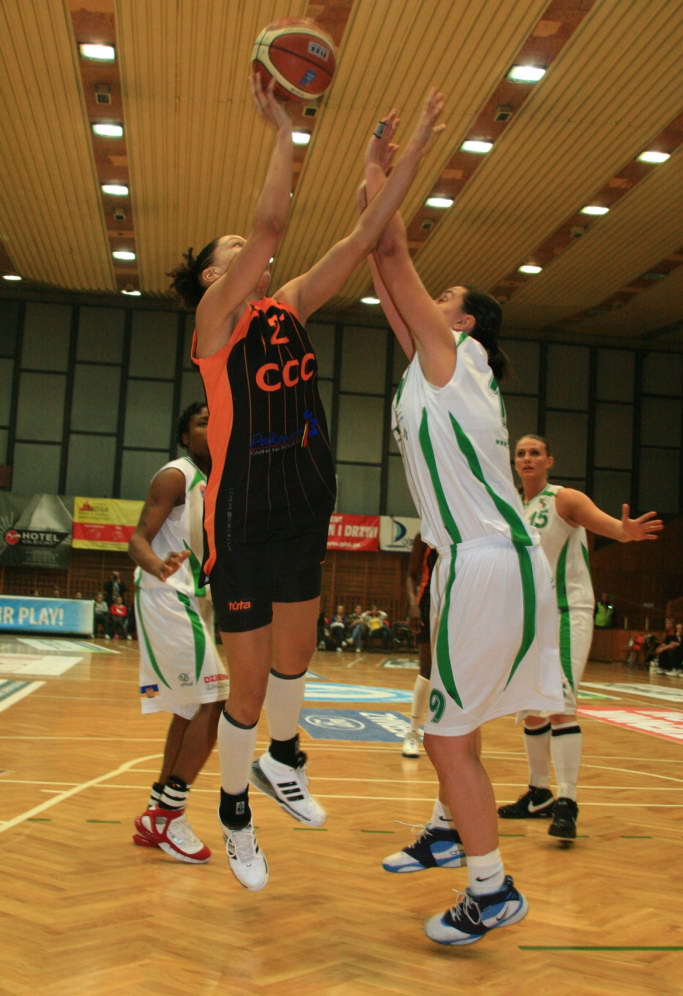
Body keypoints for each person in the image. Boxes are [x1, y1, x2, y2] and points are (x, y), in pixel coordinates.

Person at [167, 77, 445, 892]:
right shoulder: (214, 329)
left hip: (300, 505)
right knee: (248, 688)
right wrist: (285, 130)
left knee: (297, 659)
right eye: (229, 251)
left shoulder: (286, 307)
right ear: (212, 278)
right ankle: (233, 815)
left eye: (242, 249)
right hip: (242, 518)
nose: (248, 251)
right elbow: (269, 226)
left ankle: (283, 762)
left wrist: (401, 155)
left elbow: (365, 235)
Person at [363, 125, 565, 947]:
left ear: (465, 320)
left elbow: (390, 246)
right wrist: (370, 173)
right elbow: (379, 259)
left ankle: (491, 890)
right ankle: (450, 830)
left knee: (444, 733)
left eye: (443, 293)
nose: (429, 296)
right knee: (459, 717)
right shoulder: (430, 364)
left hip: (486, 561)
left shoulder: (452, 358)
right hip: (470, 561)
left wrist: (404, 158)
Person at [498, 435, 663, 840]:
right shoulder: (511, 506)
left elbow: (611, 528)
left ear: (549, 460)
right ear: (514, 463)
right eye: (521, 453)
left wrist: (624, 531)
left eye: (535, 453)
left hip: (566, 612)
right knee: (531, 708)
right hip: (529, 619)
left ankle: (567, 800)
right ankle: (539, 794)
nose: (527, 458)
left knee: (560, 705)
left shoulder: (565, 499)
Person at [128, 402, 230, 864]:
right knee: (215, 700)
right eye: (201, 422)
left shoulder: (218, 479)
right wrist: (159, 566)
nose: (211, 427)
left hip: (194, 598)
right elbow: (137, 538)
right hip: (168, 594)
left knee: (191, 707)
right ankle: (170, 814)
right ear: (185, 436)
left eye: (216, 420)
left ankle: (156, 811)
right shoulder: (176, 475)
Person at [401, 532, 436, 758]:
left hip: (457, 605)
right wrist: (413, 604)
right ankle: (412, 732)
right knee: (427, 670)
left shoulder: (465, 530)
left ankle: (446, 736)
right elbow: (411, 575)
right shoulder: (425, 535)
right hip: (428, 604)